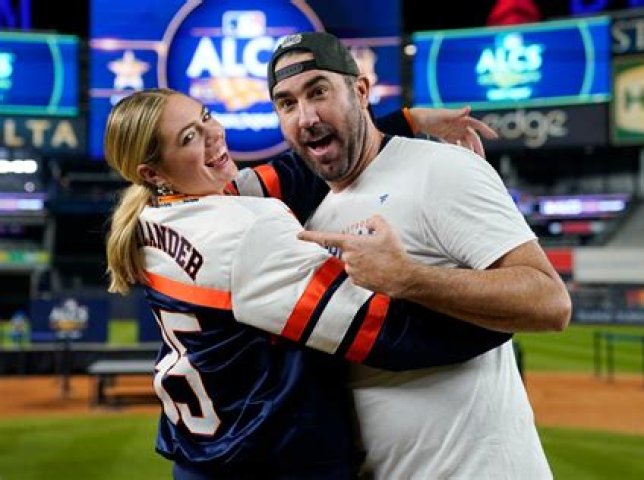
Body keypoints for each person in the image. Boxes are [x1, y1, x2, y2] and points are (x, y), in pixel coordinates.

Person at [103, 88, 512, 479]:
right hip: (269, 460)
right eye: (189, 137)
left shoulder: (154, 215)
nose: (213, 134)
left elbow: (293, 174)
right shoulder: (243, 229)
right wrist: (504, 309)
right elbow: (383, 331)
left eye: (205, 116)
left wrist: (407, 121)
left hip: (204, 456)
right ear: (152, 172)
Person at [265, 31, 572, 479]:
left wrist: (408, 277)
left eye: (319, 92)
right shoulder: (314, 218)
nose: (307, 117)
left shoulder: (441, 169)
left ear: (361, 91)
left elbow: (550, 301)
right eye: (287, 103)